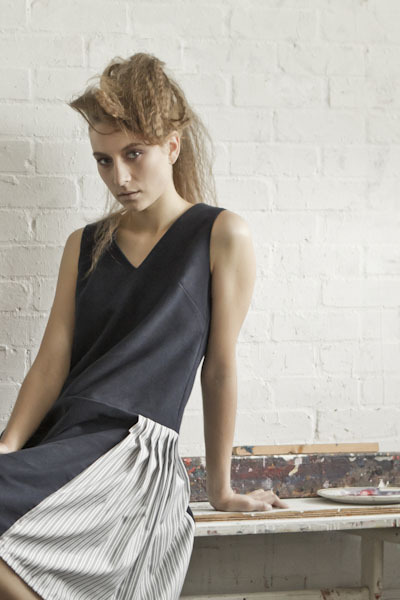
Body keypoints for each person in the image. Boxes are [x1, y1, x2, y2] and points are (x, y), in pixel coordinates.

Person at [0, 52, 289, 600]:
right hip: (62, 440)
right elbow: (52, 359)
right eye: (103, 161)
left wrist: (221, 488)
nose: (120, 177)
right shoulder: (84, 245)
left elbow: (219, 369)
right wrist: (9, 444)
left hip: (132, 451)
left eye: (133, 154)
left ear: (172, 146)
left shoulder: (220, 235)